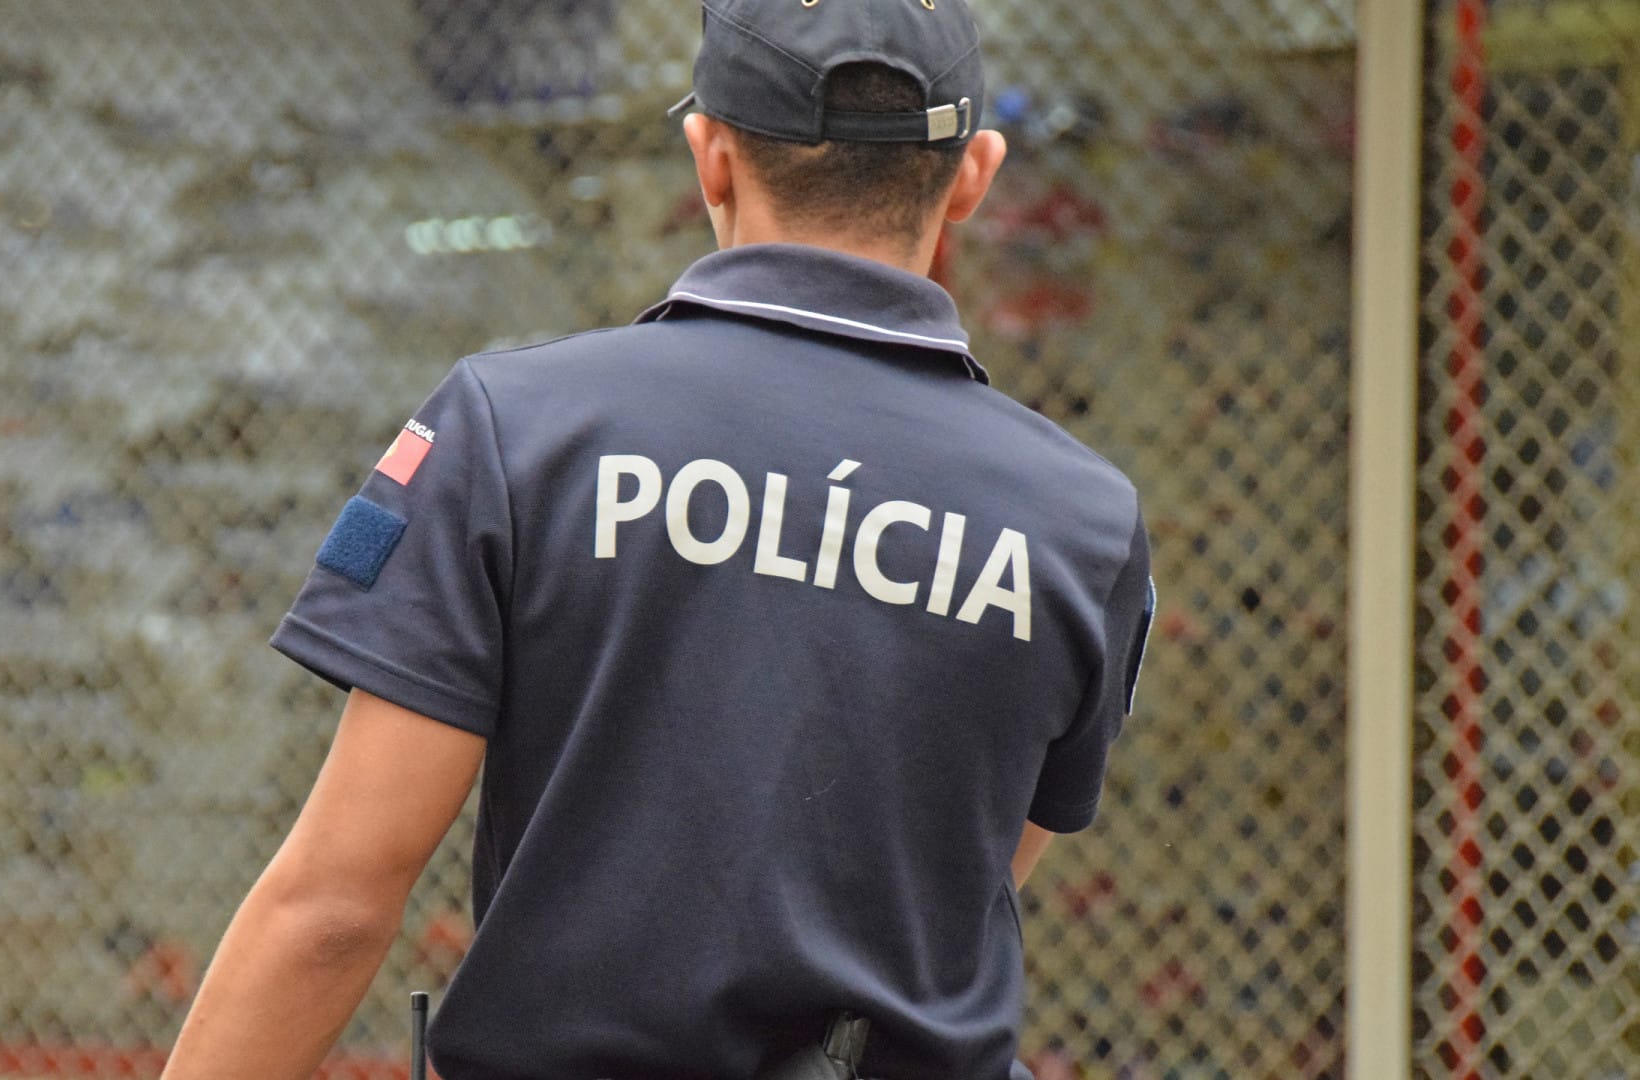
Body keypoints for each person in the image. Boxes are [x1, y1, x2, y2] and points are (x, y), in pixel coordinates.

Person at [164, 1, 1154, 1077]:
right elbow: (976, 872)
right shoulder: (1082, 520)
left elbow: (335, 906)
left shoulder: (518, 431)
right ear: (974, 175)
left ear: (710, 157)